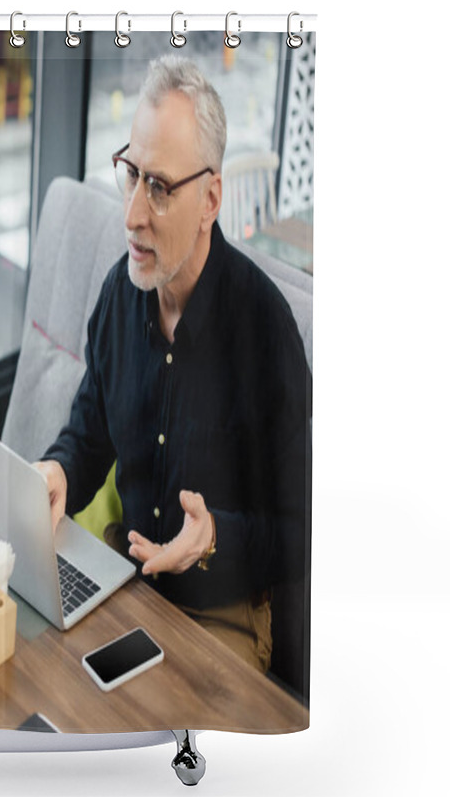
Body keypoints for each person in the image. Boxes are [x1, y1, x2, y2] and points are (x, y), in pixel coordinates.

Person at [35, 56, 311, 674]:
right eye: (130, 174)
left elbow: (304, 530)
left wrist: (212, 539)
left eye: (158, 187)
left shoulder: (266, 335)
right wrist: (58, 471)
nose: (131, 213)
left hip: (220, 617)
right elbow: (89, 434)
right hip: (122, 583)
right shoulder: (118, 292)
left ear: (211, 198)